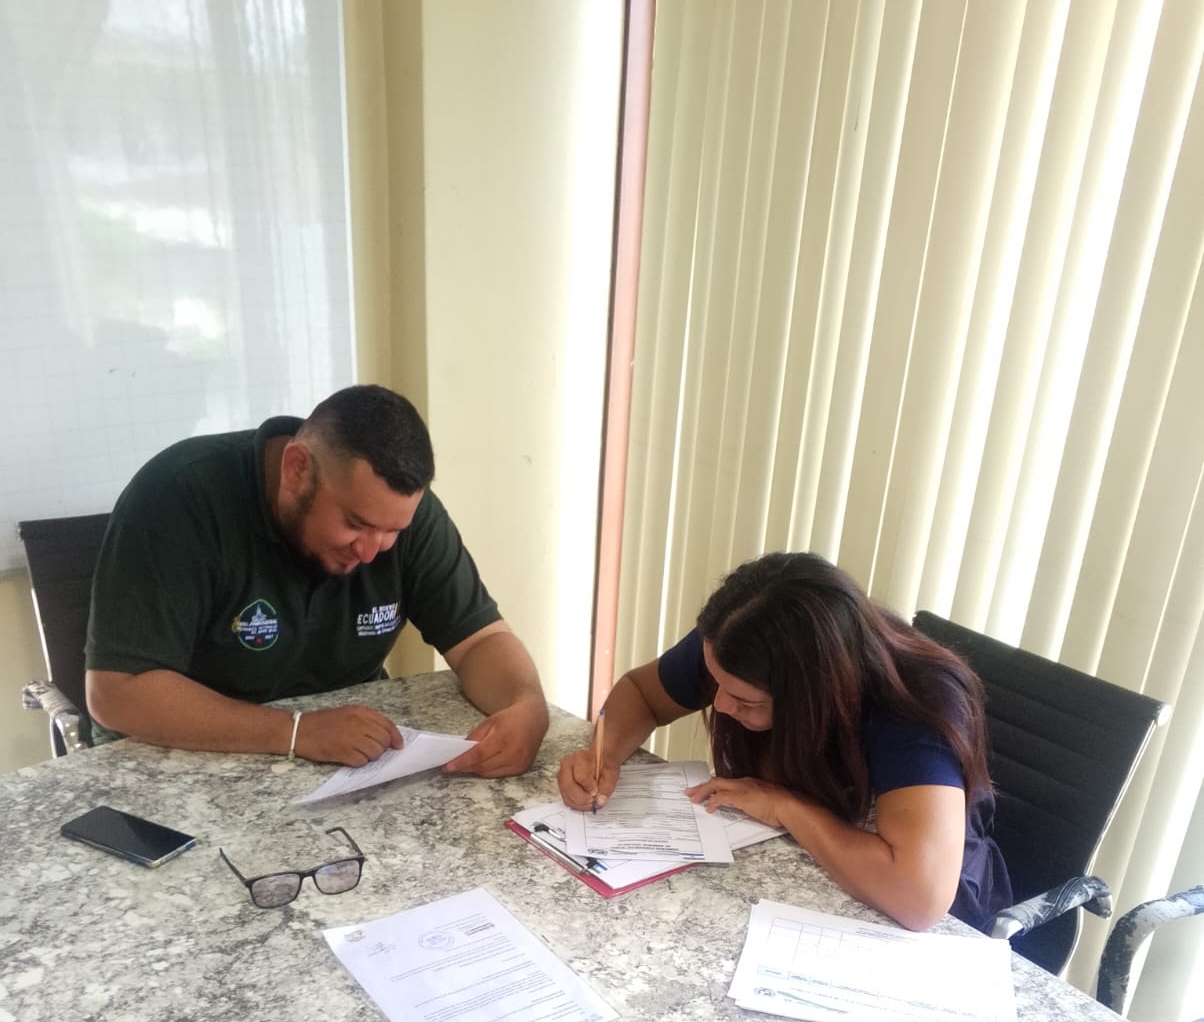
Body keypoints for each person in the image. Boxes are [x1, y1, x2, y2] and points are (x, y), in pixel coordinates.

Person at [85, 385, 548, 776]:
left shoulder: (401, 514)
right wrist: (295, 731)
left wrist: (526, 706)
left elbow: (479, 640)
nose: (371, 551)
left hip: (342, 763)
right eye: (354, 524)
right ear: (296, 470)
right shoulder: (179, 497)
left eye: (392, 532)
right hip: (176, 757)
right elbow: (117, 692)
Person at [558, 552, 1012, 932]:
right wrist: (605, 755)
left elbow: (918, 898)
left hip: (923, 928)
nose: (720, 704)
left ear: (816, 694)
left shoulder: (914, 710)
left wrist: (785, 807)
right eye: (716, 683)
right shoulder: (735, 645)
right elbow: (640, 693)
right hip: (802, 875)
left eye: (744, 700)